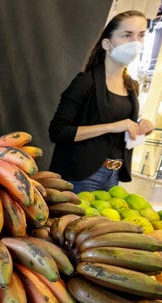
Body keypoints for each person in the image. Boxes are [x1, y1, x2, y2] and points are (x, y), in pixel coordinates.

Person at [48, 10, 154, 193]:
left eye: (141, 35)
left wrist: (141, 126)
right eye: (127, 35)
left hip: (114, 174)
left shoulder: (131, 86)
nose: (135, 42)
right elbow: (58, 132)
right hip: (80, 174)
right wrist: (112, 126)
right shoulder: (85, 82)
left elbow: (122, 127)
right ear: (107, 43)